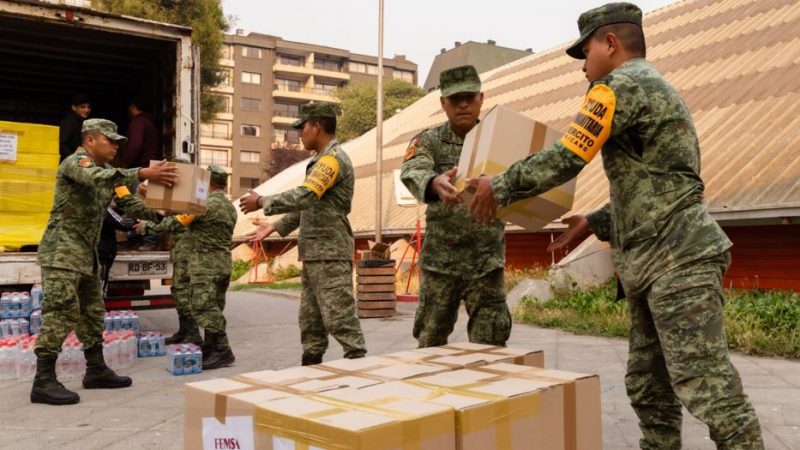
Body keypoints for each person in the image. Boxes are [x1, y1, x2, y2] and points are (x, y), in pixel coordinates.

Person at [466, 4, 764, 448]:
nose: (583, 66)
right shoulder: (652, 86)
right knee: (648, 385)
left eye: (584, 53)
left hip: (676, 259)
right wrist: (595, 220)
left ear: (609, 43)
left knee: (708, 387)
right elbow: (660, 182)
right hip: (655, 260)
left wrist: (500, 186)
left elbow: (567, 156)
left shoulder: (616, 87)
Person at [32, 118, 178, 405]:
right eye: (109, 140)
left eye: (117, 141)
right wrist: (143, 172)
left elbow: (130, 205)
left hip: (87, 253)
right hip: (62, 252)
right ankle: (43, 380)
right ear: (90, 140)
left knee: (92, 312)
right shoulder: (77, 163)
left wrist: (164, 215)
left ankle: (96, 370)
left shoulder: (111, 173)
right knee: (60, 312)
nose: (115, 146)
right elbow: (97, 179)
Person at [240, 102, 366, 366]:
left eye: (303, 127)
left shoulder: (332, 159)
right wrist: (276, 226)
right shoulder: (320, 161)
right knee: (311, 321)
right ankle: (311, 369)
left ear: (317, 126)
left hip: (330, 254)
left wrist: (263, 201)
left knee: (339, 318)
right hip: (315, 254)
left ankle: (359, 367)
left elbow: (306, 194)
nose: (300, 134)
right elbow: (310, 204)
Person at [399, 65, 511, 348]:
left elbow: (522, 176)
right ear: (443, 103)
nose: (463, 104)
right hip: (441, 264)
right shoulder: (429, 140)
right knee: (431, 341)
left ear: (481, 98)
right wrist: (433, 181)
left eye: (470, 97)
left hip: (486, 263)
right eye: (455, 98)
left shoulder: (500, 138)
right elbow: (412, 169)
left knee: (491, 345)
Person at [160, 165, 237, 369]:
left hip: (205, 265)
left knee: (204, 307)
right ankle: (211, 348)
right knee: (215, 305)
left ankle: (223, 350)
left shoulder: (202, 204)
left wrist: (147, 227)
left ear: (207, 182)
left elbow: (175, 224)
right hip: (223, 263)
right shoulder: (230, 206)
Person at [123, 98, 161, 169]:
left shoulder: (138, 122)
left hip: (141, 167)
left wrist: (124, 164)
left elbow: (135, 144)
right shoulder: (150, 123)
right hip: (151, 165)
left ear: (133, 107)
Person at [59, 93, 91, 163]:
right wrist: (75, 161)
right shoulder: (69, 122)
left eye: (88, 107)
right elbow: (62, 144)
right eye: (82, 107)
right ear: (74, 108)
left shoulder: (82, 122)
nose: (87, 110)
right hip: (70, 163)